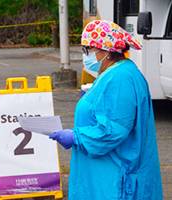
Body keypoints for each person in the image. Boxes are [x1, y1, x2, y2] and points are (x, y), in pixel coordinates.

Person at [49, 20, 163, 200]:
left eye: (88, 49)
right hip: (107, 172)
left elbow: (113, 131)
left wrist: (76, 137)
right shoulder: (117, 72)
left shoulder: (120, 77)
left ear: (106, 51)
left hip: (114, 176)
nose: (86, 55)